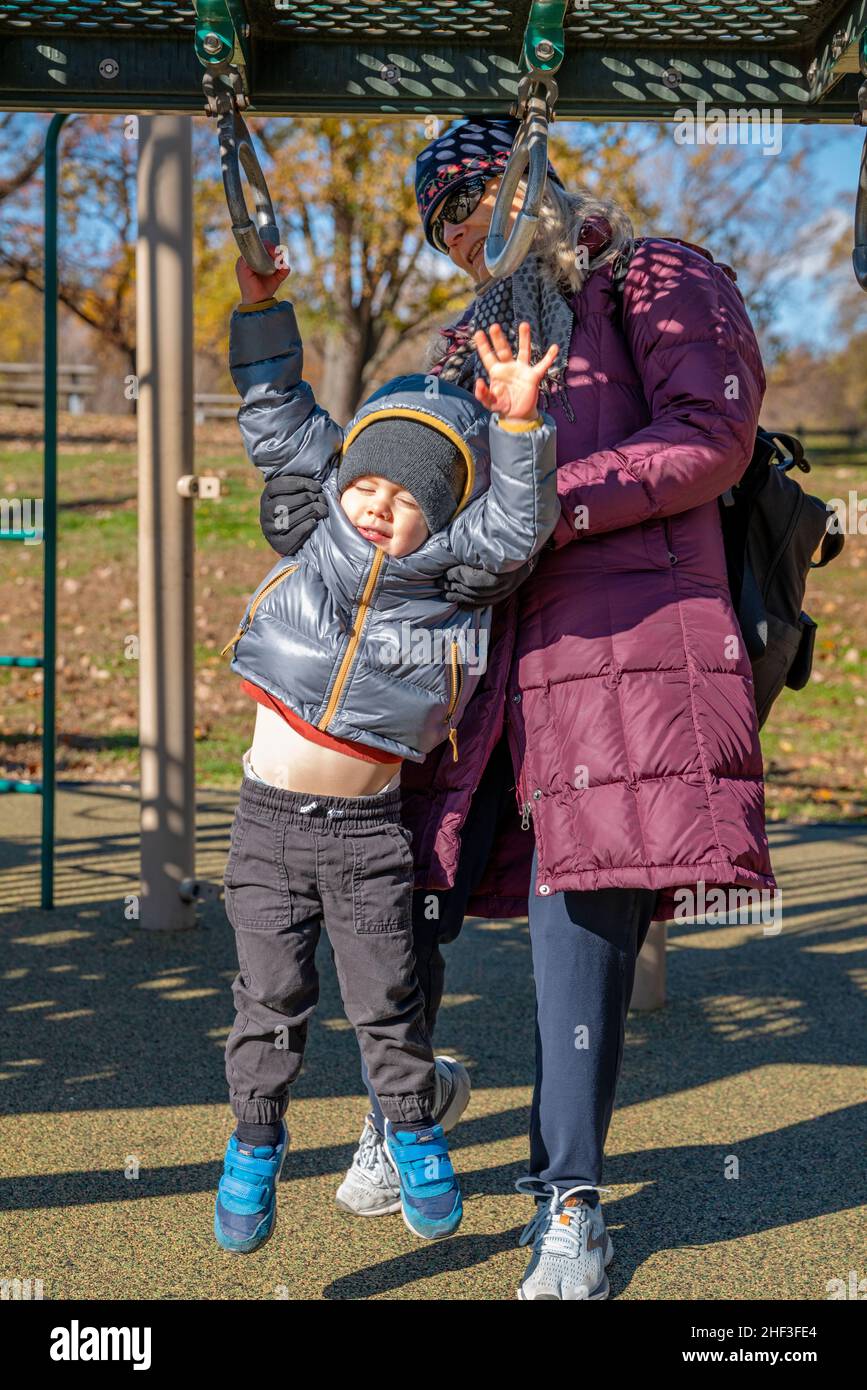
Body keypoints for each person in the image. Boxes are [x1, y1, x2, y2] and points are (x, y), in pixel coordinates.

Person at [260, 115, 776, 1300]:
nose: (467, 229)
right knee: (408, 877)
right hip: (481, 652)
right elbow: (422, 475)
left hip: (621, 642)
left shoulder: (654, 271)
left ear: (538, 178)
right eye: (445, 222)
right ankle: (409, 1103)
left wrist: (550, 500)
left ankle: (571, 1205)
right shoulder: (469, 336)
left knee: (578, 924)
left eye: (481, 196)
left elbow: (709, 437)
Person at [213, 244, 561, 1254]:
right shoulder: (323, 533)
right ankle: (254, 1142)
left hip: (369, 834)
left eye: (406, 501)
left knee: (388, 1001)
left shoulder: (452, 576)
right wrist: (260, 311)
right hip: (266, 823)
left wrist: (518, 423)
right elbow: (280, 415)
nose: (379, 505)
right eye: (369, 486)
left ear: (437, 518)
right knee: (268, 996)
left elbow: (513, 523)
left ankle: (412, 1131)